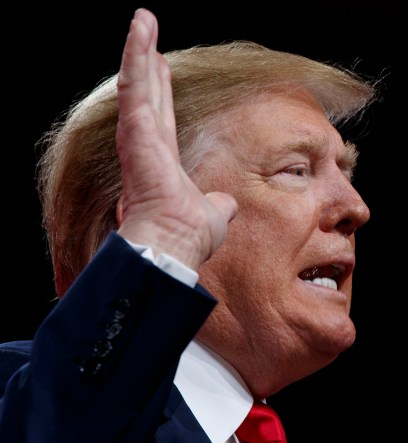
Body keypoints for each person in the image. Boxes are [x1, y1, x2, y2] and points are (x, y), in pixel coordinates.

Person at [0, 7, 380, 442]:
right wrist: (159, 246)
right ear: (140, 213)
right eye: (295, 170)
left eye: (345, 173)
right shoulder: (23, 395)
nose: (356, 207)